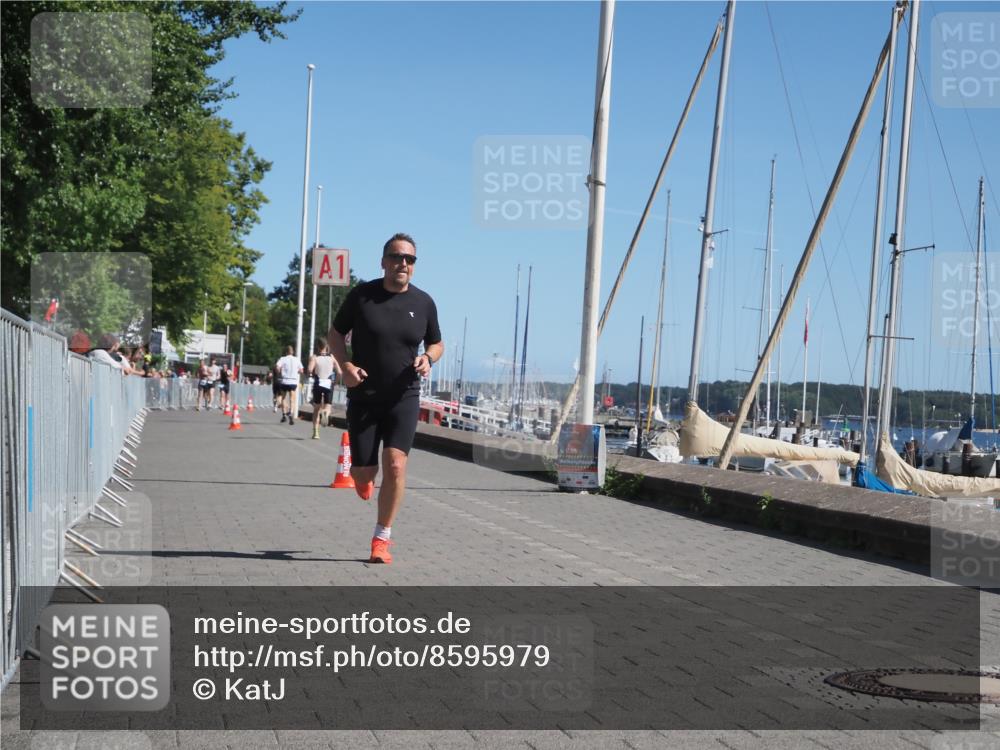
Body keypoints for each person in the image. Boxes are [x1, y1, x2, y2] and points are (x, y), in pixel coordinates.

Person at [329, 232, 442, 564]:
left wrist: (429, 358)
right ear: (383, 262)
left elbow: (437, 342)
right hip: (363, 396)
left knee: (396, 465)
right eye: (396, 257)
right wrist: (345, 365)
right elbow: (335, 334)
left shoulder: (424, 303)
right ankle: (363, 476)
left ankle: (381, 539)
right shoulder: (362, 296)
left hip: (403, 397)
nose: (402, 264)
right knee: (363, 475)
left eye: (409, 259)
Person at [307, 339, 338, 439]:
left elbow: (309, 370)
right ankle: (326, 413)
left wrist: (310, 375)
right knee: (328, 406)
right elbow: (340, 372)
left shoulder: (315, 357)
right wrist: (335, 382)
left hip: (318, 383)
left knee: (316, 409)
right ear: (326, 346)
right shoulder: (332, 357)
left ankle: (316, 432)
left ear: (317, 346)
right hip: (329, 383)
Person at [274, 346, 303, 424]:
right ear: (292, 352)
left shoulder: (282, 359)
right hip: (293, 381)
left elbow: (277, 367)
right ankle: (290, 412)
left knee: (283, 398)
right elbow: (301, 370)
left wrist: (279, 371)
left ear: (286, 352)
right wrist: (297, 372)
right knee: (292, 398)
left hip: (285, 381)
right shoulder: (297, 359)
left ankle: (284, 415)